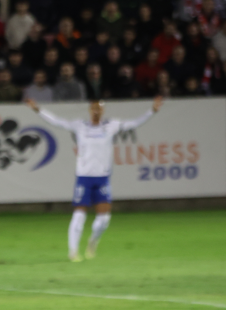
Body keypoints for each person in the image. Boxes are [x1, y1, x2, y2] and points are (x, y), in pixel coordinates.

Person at [27, 97, 163, 261]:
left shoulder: (111, 126)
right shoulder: (80, 126)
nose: (96, 111)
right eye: (94, 108)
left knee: (104, 219)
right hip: (84, 177)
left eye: (99, 108)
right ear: (89, 110)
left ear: (103, 110)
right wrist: (38, 110)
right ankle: (73, 251)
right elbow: (57, 122)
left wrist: (152, 111)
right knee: (79, 214)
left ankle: (93, 241)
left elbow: (133, 124)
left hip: (103, 178)